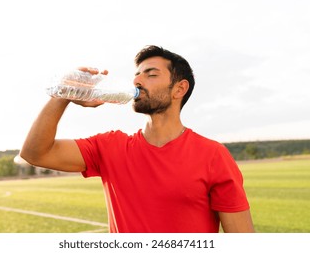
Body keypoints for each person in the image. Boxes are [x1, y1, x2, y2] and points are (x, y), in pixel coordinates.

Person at [20, 45, 255, 233]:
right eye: (137, 75)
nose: (137, 81)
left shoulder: (212, 155)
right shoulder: (109, 146)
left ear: (179, 89)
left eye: (151, 74)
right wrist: (65, 93)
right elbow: (35, 153)